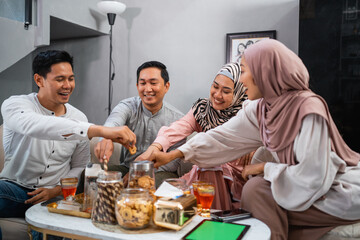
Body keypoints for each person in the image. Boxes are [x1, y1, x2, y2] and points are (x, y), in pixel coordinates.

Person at [148, 39, 360, 239]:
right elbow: (223, 138)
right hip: (298, 185)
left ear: (264, 72)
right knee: (254, 192)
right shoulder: (263, 109)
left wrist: (265, 168)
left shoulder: (308, 109)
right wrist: (173, 155)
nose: (241, 79)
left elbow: (314, 174)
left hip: (333, 191)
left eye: (244, 71)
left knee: (256, 193)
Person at [0, 50, 136, 220]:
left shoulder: (79, 118)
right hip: (15, 189)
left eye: (71, 78)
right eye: (60, 79)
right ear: (38, 80)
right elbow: (36, 125)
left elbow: (79, 165)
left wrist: (55, 191)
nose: (67, 85)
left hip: (55, 195)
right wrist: (100, 130)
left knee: (48, 229)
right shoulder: (15, 104)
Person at [137, 62, 252, 210]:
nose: (217, 95)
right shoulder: (203, 110)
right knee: (163, 200)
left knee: (211, 164)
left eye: (226, 91)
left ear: (238, 93)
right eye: (215, 86)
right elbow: (179, 127)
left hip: (238, 179)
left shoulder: (247, 114)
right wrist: (155, 147)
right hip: (206, 175)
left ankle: (214, 222)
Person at [94, 61, 193, 187]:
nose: (147, 89)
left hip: (161, 172)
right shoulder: (128, 106)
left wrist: (139, 172)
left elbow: (173, 162)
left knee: (149, 184)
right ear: (137, 86)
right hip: (127, 169)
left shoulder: (178, 119)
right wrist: (106, 137)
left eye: (153, 83)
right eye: (142, 83)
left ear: (166, 86)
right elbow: (113, 121)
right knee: (92, 173)